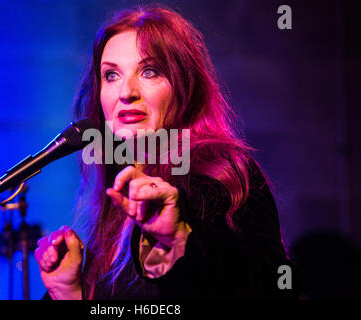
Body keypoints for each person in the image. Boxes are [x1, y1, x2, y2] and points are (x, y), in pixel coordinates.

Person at [34, 5, 297, 300]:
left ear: (183, 87)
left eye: (149, 71)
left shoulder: (222, 177)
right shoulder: (114, 196)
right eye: (111, 75)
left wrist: (179, 240)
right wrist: (69, 292)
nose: (126, 92)